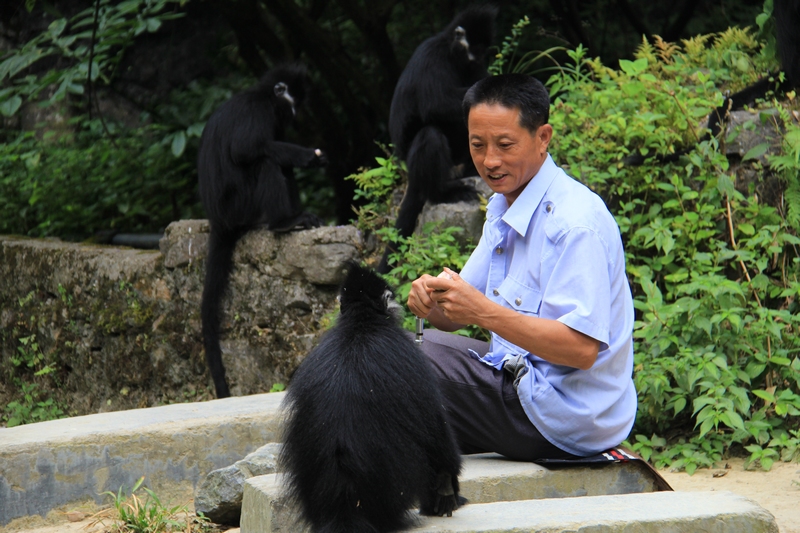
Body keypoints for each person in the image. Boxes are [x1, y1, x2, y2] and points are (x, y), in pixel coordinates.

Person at [407, 73, 636, 461]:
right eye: (477, 145)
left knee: (406, 361)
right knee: (400, 345)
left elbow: (581, 350)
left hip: (565, 417)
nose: (489, 161)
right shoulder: (503, 206)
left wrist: (481, 311)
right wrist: (431, 303)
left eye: (505, 145)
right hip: (522, 385)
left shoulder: (574, 221)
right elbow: (455, 317)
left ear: (542, 137)